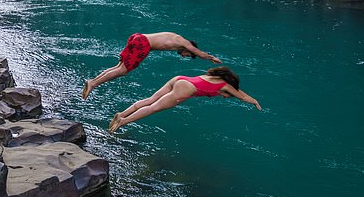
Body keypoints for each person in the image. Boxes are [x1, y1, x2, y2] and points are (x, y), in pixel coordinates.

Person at [108, 66, 261, 132]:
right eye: (227, 95)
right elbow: (241, 95)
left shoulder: (214, 77)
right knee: (153, 108)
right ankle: (123, 121)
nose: (224, 96)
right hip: (185, 89)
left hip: (180, 79)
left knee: (150, 100)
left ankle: (121, 114)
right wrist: (255, 102)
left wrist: (251, 99)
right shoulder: (225, 85)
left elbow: (239, 91)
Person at [82, 32, 222, 100]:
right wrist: (211, 58)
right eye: (187, 55)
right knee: (123, 71)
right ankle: (94, 84)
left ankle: (92, 81)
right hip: (143, 44)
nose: (183, 56)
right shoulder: (184, 42)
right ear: (189, 49)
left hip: (137, 37)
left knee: (119, 66)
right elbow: (198, 52)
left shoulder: (177, 39)